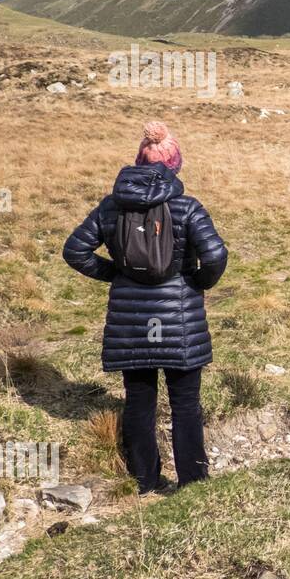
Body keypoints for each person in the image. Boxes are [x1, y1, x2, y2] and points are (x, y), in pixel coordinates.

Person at [63, 121, 228, 493]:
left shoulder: (110, 206)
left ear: (139, 160)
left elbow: (74, 250)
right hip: (179, 319)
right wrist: (197, 283)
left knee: (139, 400)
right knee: (186, 403)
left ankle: (144, 480)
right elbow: (215, 254)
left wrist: (116, 274)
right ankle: (194, 483)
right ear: (175, 164)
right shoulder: (186, 206)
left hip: (131, 322)